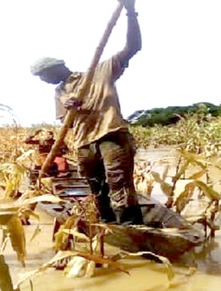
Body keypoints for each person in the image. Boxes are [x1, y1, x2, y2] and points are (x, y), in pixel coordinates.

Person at [29, 0, 143, 225]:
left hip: (111, 136)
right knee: (96, 186)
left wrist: (131, 13)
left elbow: (133, 47)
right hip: (84, 144)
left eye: (43, 76)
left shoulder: (100, 71)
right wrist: (71, 107)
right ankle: (107, 224)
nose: (43, 81)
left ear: (54, 68)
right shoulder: (60, 91)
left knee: (118, 183)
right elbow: (66, 123)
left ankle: (131, 225)